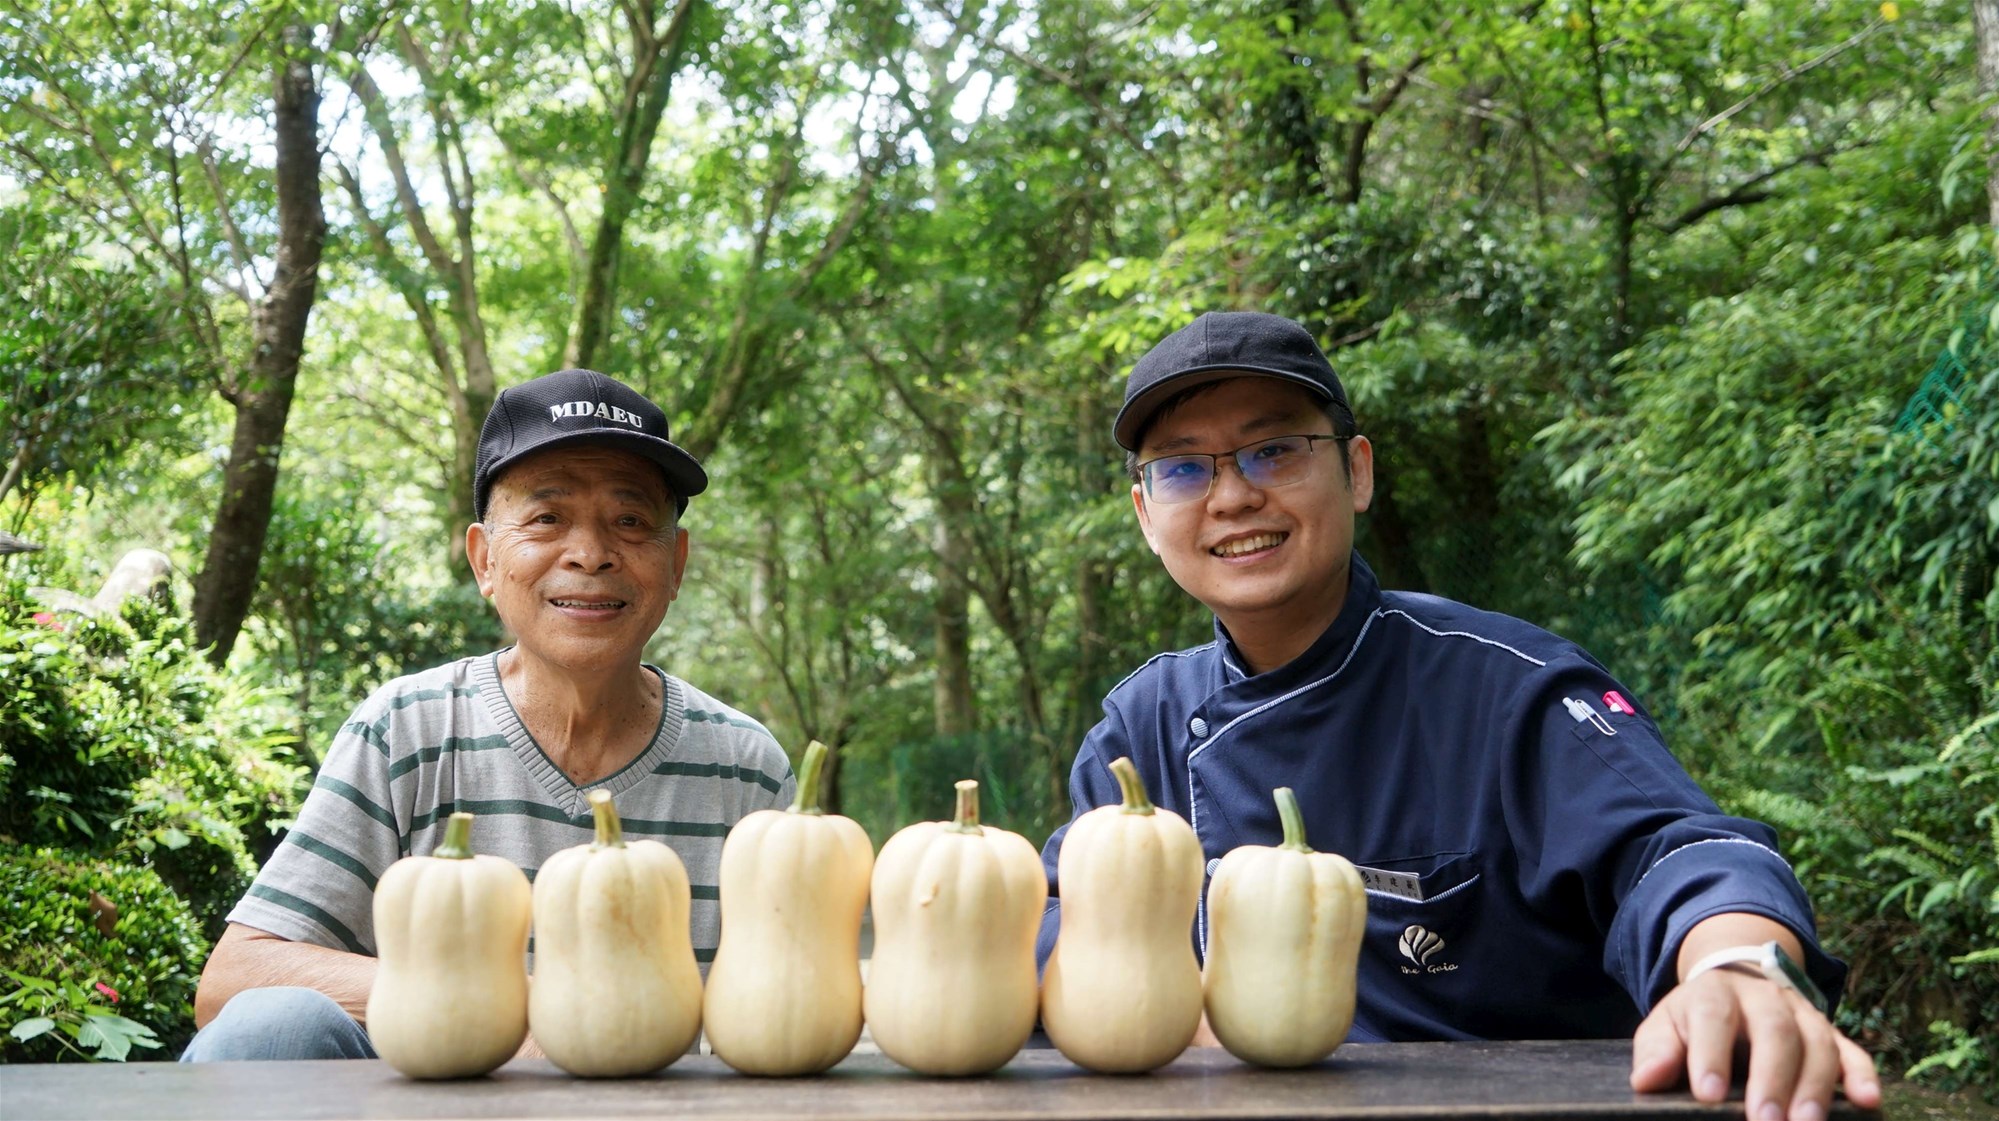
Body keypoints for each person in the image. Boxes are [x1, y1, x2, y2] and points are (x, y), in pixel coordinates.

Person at [1036, 312, 1880, 1120]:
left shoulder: (1507, 689)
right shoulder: (1137, 726)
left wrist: (1735, 967)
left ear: (1356, 471)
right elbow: (1053, 923)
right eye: (1183, 468)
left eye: (1273, 450)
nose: (1230, 496)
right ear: (1148, 516)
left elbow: (1680, 849)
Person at [186, 368, 795, 1061]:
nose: (590, 554)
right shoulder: (406, 729)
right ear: (484, 560)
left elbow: (788, 1007)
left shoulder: (745, 772)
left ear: (675, 562)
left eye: (630, 520)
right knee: (268, 1030)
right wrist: (521, 1010)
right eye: (546, 518)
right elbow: (237, 976)